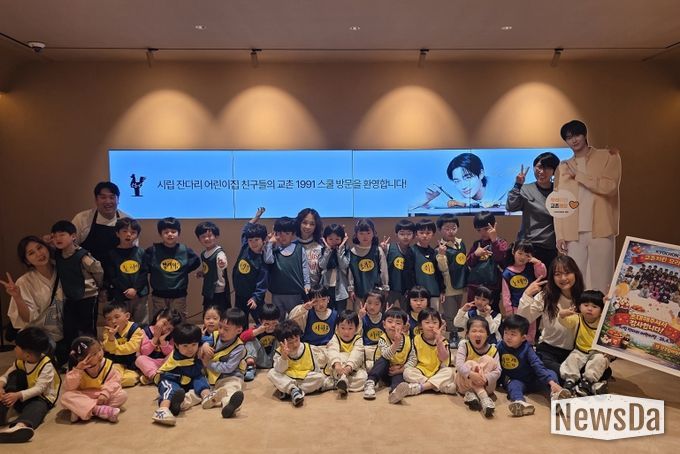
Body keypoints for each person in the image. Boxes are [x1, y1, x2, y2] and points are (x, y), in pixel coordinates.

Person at [554, 120, 622, 293]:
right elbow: (559, 203)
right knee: (575, 279)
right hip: (572, 232)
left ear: (584, 135)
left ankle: (601, 311)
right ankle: (577, 310)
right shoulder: (563, 166)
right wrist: (560, 234)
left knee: (602, 279)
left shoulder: (608, 156)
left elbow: (609, 187)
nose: (574, 140)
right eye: (568, 137)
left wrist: (579, 175)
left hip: (601, 228)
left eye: (577, 135)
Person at [3, 236, 67, 366]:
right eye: (31, 253)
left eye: (40, 247)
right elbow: (27, 318)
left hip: (64, 333)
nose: (39, 254)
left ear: (46, 247)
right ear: (27, 260)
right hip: (39, 335)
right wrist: (17, 297)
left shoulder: (64, 270)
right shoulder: (24, 281)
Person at [517, 255, 584, 378]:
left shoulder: (584, 297)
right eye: (558, 274)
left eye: (567, 273)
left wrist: (606, 303)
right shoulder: (546, 296)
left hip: (576, 351)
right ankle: (573, 377)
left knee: (603, 369)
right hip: (549, 349)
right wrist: (527, 295)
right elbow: (523, 320)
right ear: (552, 277)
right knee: (543, 363)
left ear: (575, 273)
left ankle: (570, 376)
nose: (563, 278)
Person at [496, 315, 571, 417]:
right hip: (517, 380)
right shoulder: (500, 346)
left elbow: (537, 365)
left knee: (551, 373)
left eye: (513, 334)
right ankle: (520, 402)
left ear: (523, 338)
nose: (508, 337)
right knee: (513, 386)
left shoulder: (527, 349)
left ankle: (556, 396)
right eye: (506, 333)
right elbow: (492, 358)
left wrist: (551, 382)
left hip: (534, 379)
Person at [0, 327, 61, 443]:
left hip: (41, 398)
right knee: (15, 374)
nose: (14, 349)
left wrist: (18, 395)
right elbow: (6, 375)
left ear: (27, 355)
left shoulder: (46, 365)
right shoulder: (20, 361)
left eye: (16, 346)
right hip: (18, 397)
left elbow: (39, 389)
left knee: (37, 407)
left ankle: (20, 426)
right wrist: (1, 386)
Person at [51, 220, 104, 348]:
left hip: (88, 297)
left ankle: (92, 350)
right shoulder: (57, 255)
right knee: (69, 325)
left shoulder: (82, 256)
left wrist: (99, 287)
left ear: (73, 236)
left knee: (87, 326)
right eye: (54, 236)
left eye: (62, 235)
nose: (58, 239)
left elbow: (98, 271)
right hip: (70, 296)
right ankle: (74, 350)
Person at [506, 152, 561, 267]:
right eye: (539, 167)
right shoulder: (526, 189)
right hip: (528, 247)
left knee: (547, 277)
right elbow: (511, 207)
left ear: (554, 171)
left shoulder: (559, 192)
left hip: (550, 247)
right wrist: (517, 185)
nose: (542, 171)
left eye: (547, 168)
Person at [391, 308, 457, 403]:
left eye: (435, 322)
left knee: (449, 372)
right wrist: (402, 369)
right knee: (407, 372)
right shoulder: (416, 339)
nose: (431, 325)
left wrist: (439, 341)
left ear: (439, 325)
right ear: (420, 325)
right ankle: (438, 386)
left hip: (438, 370)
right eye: (427, 322)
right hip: (421, 371)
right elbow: (413, 360)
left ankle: (418, 388)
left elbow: (443, 358)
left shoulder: (443, 340)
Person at [151, 323, 210, 426]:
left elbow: (207, 339)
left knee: (200, 379)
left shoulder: (196, 349)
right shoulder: (177, 357)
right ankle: (163, 410)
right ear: (177, 345)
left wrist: (205, 344)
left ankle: (207, 396)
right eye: (185, 346)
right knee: (170, 389)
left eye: (194, 345)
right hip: (170, 378)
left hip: (187, 380)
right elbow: (191, 370)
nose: (190, 349)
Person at [266, 320, 334, 407]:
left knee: (320, 377)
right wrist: (284, 357)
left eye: (297, 340)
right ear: (282, 342)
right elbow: (279, 370)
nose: (295, 344)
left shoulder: (308, 348)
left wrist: (317, 380)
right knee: (271, 373)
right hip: (288, 377)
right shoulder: (279, 352)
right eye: (290, 342)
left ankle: (289, 391)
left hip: (304, 378)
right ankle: (293, 389)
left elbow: (316, 369)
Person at [60, 336, 127, 423]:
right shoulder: (76, 369)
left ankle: (84, 410)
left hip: (101, 395)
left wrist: (105, 393)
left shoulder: (107, 364)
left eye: (100, 349)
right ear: (82, 359)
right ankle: (97, 410)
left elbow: (114, 382)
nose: (99, 354)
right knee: (66, 397)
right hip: (84, 395)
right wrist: (78, 370)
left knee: (122, 395)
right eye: (94, 354)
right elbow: (70, 387)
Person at [145, 217, 200, 319]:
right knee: (159, 320)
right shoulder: (152, 251)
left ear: (178, 233)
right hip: (159, 295)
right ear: (160, 234)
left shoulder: (185, 250)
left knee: (179, 320)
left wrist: (182, 271)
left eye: (173, 232)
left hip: (179, 295)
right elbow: (145, 267)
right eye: (166, 232)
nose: (170, 234)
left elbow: (196, 262)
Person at [559, 290, 610, 396]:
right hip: (580, 350)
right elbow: (566, 322)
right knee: (572, 359)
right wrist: (562, 315)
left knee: (600, 360)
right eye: (586, 305)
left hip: (597, 352)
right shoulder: (577, 318)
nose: (590, 309)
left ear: (601, 310)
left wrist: (608, 305)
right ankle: (570, 381)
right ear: (579, 306)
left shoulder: (603, 321)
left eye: (595, 306)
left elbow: (613, 322)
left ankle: (587, 382)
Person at [70, 182, 131, 268]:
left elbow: (132, 252)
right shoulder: (81, 219)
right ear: (96, 200)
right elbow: (70, 246)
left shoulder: (127, 221)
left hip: (118, 271)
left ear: (118, 200)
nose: (108, 201)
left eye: (112, 197)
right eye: (103, 197)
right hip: (88, 271)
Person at [200, 308, 247, 418]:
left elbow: (229, 368)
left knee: (232, 388)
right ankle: (181, 403)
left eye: (226, 329)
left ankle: (228, 406)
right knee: (198, 389)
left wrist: (208, 364)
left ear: (239, 330)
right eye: (220, 327)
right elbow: (205, 340)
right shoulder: (215, 335)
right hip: (212, 377)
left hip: (230, 377)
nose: (221, 331)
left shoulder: (239, 347)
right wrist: (205, 345)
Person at [264, 216, 310, 319]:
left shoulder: (299, 249)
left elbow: (305, 268)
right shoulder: (274, 249)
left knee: (296, 318)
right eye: (280, 233)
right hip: (277, 292)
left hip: (295, 292)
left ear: (293, 234)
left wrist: (307, 284)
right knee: (278, 319)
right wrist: (270, 243)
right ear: (275, 233)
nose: (283, 237)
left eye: (287, 233)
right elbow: (268, 260)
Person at [454, 316, 500, 418]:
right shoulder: (464, 346)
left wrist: (485, 379)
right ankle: (483, 397)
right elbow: (459, 365)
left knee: (488, 359)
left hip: (486, 385)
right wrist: (471, 374)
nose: (478, 334)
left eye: (481, 331)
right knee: (471, 363)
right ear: (467, 334)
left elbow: (498, 371)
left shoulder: (493, 350)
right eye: (474, 331)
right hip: (464, 384)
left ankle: (472, 395)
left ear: (487, 334)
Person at [105, 217, 149, 324]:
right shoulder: (112, 254)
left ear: (137, 235)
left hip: (139, 295)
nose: (128, 235)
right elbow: (112, 276)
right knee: (121, 323)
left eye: (133, 232)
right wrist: (125, 290)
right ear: (117, 233)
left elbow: (144, 273)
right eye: (124, 231)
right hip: (120, 295)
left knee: (141, 323)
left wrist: (135, 289)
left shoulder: (141, 253)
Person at [501, 241, 547, 342]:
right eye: (520, 253)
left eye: (527, 255)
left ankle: (528, 347)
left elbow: (542, 275)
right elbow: (506, 294)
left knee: (530, 331)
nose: (522, 257)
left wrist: (538, 263)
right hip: (515, 308)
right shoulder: (507, 272)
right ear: (513, 252)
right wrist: (509, 310)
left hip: (530, 307)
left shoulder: (530, 268)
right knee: (516, 331)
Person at [363, 307, 411, 402]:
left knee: (399, 379)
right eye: (390, 321)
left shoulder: (408, 340)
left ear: (403, 327)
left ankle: (395, 393)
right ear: (384, 324)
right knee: (383, 360)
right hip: (382, 371)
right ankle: (370, 382)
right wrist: (396, 344)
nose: (393, 325)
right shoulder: (382, 339)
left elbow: (412, 359)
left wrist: (402, 369)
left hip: (397, 371)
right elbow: (386, 355)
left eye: (398, 323)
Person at [466, 211, 509, 311]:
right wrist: (476, 254)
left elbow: (501, 259)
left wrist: (494, 241)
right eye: (479, 230)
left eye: (486, 229)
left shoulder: (501, 242)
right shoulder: (477, 244)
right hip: (475, 285)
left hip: (492, 286)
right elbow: (469, 263)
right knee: (472, 311)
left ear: (494, 226)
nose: (483, 233)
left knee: (492, 311)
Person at [435, 214, 467, 347]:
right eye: (447, 228)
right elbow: (442, 269)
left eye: (453, 228)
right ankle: (452, 335)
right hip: (449, 286)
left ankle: (456, 332)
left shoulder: (461, 243)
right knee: (450, 313)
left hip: (460, 284)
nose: (451, 231)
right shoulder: (440, 248)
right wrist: (441, 255)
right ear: (440, 230)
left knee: (458, 311)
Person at [232, 208, 268, 323]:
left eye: (257, 239)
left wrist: (255, 297)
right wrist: (256, 217)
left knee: (260, 321)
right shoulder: (245, 247)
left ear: (264, 240)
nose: (253, 243)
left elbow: (262, 283)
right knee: (240, 321)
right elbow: (246, 228)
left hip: (254, 297)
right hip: (240, 294)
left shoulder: (263, 260)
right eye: (251, 240)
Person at [348, 218, 389, 309]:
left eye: (368, 233)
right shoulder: (352, 252)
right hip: (359, 293)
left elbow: (384, 270)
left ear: (373, 233)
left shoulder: (377, 250)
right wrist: (351, 289)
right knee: (359, 316)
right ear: (356, 235)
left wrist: (385, 287)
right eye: (361, 233)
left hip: (376, 293)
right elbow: (350, 273)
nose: (365, 236)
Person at [136, 308, 183, 385]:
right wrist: (155, 338)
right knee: (140, 359)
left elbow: (170, 353)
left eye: (169, 328)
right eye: (164, 324)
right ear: (158, 317)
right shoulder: (145, 331)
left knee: (175, 355)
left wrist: (163, 342)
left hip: (165, 362)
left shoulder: (171, 335)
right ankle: (156, 376)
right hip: (151, 362)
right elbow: (144, 352)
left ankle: (153, 377)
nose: (164, 329)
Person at [325, 310, 367, 395]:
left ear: (356, 328)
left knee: (363, 378)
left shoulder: (358, 339)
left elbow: (357, 354)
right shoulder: (336, 337)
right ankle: (342, 381)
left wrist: (349, 367)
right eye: (343, 328)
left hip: (352, 369)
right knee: (338, 356)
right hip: (338, 368)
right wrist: (337, 364)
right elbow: (332, 350)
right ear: (337, 327)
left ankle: (338, 383)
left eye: (350, 328)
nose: (346, 332)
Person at [101, 302, 142, 387]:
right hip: (116, 361)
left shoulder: (135, 329)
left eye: (117, 317)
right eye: (109, 319)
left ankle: (113, 381)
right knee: (112, 374)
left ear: (127, 316)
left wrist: (114, 350)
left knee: (130, 379)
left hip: (131, 361)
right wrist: (111, 337)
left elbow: (133, 347)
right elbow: (107, 348)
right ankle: (113, 380)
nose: (113, 321)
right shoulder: (107, 331)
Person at [195, 221, 230, 313]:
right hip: (208, 289)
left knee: (219, 314)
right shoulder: (203, 254)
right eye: (203, 236)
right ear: (199, 239)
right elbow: (209, 269)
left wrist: (222, 263)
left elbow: (222, 263)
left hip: (218, 291)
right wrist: (202, 273)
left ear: (216, 236)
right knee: (207, 313)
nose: (207, 239)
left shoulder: (219, 252)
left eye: (210, 236)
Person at [239, 304, 281, 381]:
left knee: (283, 339)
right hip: (260, 359)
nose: (271, 327)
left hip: (276, 359)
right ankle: (250, 367)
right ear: (260, 321)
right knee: (250, 339)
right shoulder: (257, 329)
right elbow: (241, 338)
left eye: (274, 323)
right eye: (267, 324)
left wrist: (279, 330)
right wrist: (257, 332)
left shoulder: (280, 328)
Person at [410, 219, 444, 311]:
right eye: (421, 232)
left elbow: (439, 273)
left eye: (428, 233)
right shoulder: (411, 251)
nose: (425, 235)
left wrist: (442, 290)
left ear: (433, 234)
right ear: (416, 234)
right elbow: (409, 273)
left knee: (433, 317)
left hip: (434, 292)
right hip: (418, 294)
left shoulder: (434, 252)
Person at [382, 219, 416, 308]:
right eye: (402, 234)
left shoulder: (413, 251)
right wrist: (383, 251)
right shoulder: (389, 248)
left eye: (409, 234)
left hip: (406, 290)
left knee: (407, 312)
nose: (405, 237)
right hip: (390, 288)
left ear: (413, 235)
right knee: (385, 311)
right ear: (396, 234)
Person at [318, 224, 351, 312]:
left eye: (337, 239)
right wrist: (328, 250)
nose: (334, 242)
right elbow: (322, 265)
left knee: (340, 314)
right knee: (327, 313)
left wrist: (340, 250)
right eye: (330, 239)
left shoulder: (345, 250)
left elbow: (344, 265)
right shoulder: (323, 250)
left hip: (341, 289)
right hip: (326, 288)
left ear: (342, 239)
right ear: (325, 239)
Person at [357, 287, 386, 370]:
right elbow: (357, 336)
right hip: (367, 349)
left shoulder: (385, 318)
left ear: (381, 305)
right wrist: (359, 318)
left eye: (376, 304)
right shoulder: (363, 317)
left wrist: (389, 319)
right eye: (369, 303)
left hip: (381, 349)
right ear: (365, 303)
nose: (372, 307)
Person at [295, 208, 324, 287]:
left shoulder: (320, 248)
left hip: (316, 291)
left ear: (316, 226)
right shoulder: (291, 246)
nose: (308, 227)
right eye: (304, 222)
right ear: (299, 223)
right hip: (295, 291)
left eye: (312, 224)